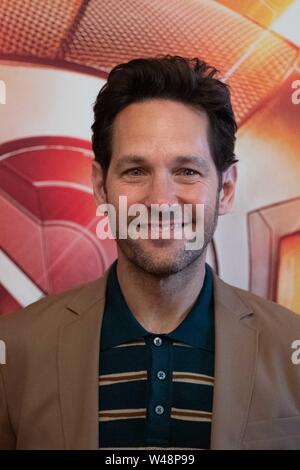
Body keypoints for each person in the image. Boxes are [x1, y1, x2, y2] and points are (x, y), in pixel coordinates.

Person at [0, 56, 299, 450]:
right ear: (100, 187)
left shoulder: (291, 347)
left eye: (187, 171)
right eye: (136, 171)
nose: (160, 200)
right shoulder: (14, 349)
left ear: (225, 189)